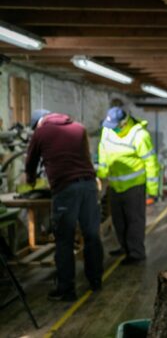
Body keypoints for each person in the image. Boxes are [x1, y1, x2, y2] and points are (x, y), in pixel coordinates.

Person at [25, 109, 103, 301]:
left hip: (66, 188)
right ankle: (95, 281)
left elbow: (31, 161)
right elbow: (85, 156)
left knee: (64, 240)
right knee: (92, 235)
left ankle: (66, 289)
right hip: (89, 186)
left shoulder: (41, 132)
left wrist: (31, 180)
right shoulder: (79, 128)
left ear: (38, 123)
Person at [97, 107, 159, 264]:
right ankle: (124, 248)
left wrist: (152, 191)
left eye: (116, 126)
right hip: (114, 185)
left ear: (124, 123)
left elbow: (151, 163)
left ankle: (136, 253)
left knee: (134, 221)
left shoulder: (139, 135)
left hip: (134, 186)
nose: (113, 130)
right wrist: (102, 175)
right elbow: (103, 152)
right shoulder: (108, 130)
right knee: (119, 221)